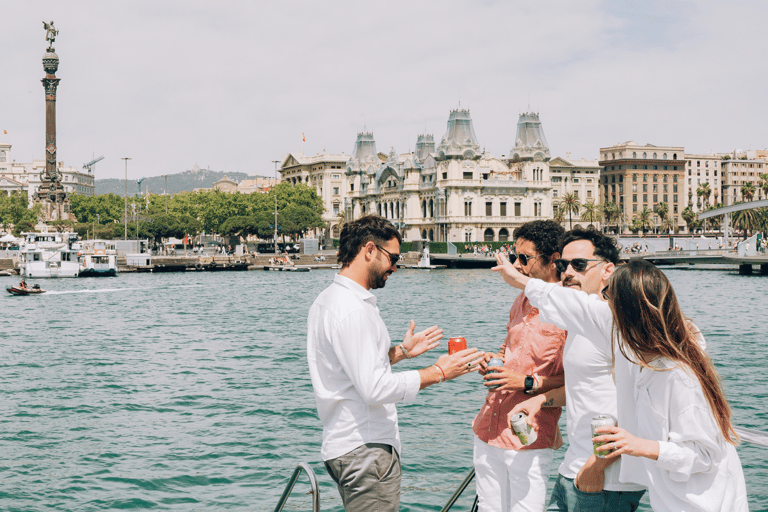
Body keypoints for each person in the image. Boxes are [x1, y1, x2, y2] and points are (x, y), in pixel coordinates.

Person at [493, 257, 748, 512]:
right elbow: (576, 305)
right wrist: (522, 282)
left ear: (626, 310)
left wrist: (639, 445)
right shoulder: (627, 340)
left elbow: (704, 455)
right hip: (668, 495)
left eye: (608, 296)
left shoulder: (678, 374)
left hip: (708, 501)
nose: (603, 303)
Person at [307, 215, 482, 511]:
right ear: (370, 250)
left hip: (344, 444)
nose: (396, 267)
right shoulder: (353, 311)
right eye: (394, 258)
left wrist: (401, 352)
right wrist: (439, 372)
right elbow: (374, 389)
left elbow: (350, 367)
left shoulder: (327, 301)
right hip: (366, 450)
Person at [511, 228, 646, 511]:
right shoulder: (582, 322)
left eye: (579, 265)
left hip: (606, 481)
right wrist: (540, 400)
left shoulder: (618, 322)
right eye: (563, 265)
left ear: (609, 270)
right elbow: (585, 386)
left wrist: (596, 467)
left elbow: (644, 405)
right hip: (574, 468)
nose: (568, 272)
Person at [472, 220, 567, 512]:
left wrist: (525, 382)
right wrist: (492, 361)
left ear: (553, 260)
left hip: (529, 435)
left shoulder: (569, 309)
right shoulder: (521, 299)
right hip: (488, 427)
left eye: (524, 258)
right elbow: (510, 347)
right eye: (515, 257)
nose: (517, 265)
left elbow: (578, 381)